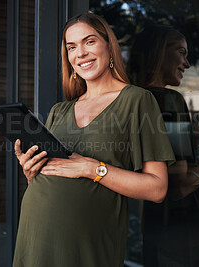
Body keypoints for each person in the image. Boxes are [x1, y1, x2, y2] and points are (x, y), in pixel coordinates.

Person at [12, 13, 175, 267]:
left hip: (87, 244)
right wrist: (31, 169)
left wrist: (91, 168)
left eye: (89, 42)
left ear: (108, 46)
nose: (81, 53)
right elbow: (56, 172)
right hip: (35, 235)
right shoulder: (59, 111)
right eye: (72, 47)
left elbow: (157, 189)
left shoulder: (136, 100)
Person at [127, 25, 199, 267]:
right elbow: (179, 184)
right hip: (190, 236)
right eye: (181, 52)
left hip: (154, 228)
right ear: (158, 52)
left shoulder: (128, 100)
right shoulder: (168, 101)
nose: (187, 64)